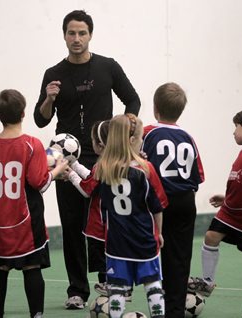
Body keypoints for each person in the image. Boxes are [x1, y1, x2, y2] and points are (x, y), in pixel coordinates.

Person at [34, 9, 141, 308]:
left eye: (82, 33)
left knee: (103, 222)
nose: (77, 38)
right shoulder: (53, 73)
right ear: (64, 35)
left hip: (101, 157)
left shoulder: (108, 67)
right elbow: (41, 120)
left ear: (90, 35)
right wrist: (49, 98)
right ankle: (76, 291)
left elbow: (132, 99)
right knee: (71, 225)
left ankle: (106, 281)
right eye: (71, 33)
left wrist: (124, 126)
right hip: (63, 158)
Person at [0, 89, 68, 318]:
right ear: (23, 113)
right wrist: (57, 169)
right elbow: (39, 183)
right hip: (26, 220)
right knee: (32, 267)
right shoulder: (31, 144)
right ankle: (36, 315)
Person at [188, 107, 242, 301]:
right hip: (230, 210)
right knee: (211, 236)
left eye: (236, 126)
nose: (233, 131)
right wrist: (227, 198)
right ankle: (207, 282)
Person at [94, 114, 167, 318]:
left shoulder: (103, 170)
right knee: (152, 283)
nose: (143, 140)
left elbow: (103, 210)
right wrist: (158, 233)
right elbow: (157, 207)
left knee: (117, 288)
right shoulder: (145, 169)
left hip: (116, 240)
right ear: (133, 140)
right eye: (141, 137)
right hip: (143, 238)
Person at [141, 82, 204, 317]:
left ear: (155, 107)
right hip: (186, 201)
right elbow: (199, 176)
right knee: (179, 258)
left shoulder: (148, 133)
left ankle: (153, 306)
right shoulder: (188, 137)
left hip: (159, 202)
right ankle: (174, 311)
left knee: (152, 254)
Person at [67, 120, 111, 296]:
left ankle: (109, 305)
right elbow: (92, 179)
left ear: (99, 145)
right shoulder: (113, 163)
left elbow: (87, 189)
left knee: (105, 273)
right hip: (115, 228)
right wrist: (75, 165)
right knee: (112, 269)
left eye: (93, 140)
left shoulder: (102, 165)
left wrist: (69, 174)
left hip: (99, 229)